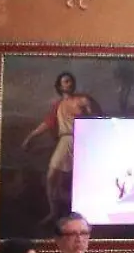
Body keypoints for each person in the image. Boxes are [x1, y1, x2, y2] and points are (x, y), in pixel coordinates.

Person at [21, 72, 102, 231]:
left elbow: (96, 119)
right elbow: (47, 124)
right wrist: (30, 137)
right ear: (60, 85)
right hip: (65, 140)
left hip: (81, 139)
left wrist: (89, 120)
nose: (68, 83)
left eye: (70, 81)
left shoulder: (82, 100)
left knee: (81, 180)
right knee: (52, 176)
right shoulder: (58, 105)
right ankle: (54, 212)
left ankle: (84, 214)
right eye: (65, 81)